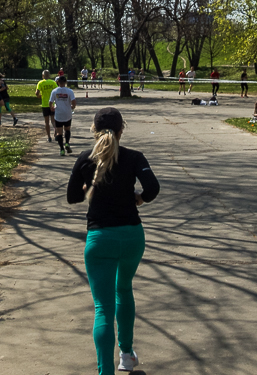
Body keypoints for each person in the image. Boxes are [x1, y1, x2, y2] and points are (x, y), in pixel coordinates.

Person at [67, 107, 160, 375]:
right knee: (124, 289)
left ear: (94, 131)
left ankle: (105, 372)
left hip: (100, 240)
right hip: (132, 237)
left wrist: (89, 186)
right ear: (122, 131)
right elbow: (152, 188)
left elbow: (73, 196)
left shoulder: (85, 159)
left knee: (103, 309)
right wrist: (139, 198)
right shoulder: (134, 157)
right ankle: (127, 355)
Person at [50, 74, 78, 156]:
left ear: (58, 82)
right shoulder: (69, 91)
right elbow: (74, 101)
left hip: (58, 114)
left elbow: (50, 102)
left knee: (59, 133)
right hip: (67, 113)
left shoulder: (54, 91)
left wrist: (51, 107)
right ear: (65, 82)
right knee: (67, 129)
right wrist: (73, 106)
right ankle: (67, 143)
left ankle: (61, 149)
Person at [35, 70, 58, 142]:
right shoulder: (53, 83)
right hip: (52, 104)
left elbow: (37, 93)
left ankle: (49, 137)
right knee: (53, 120)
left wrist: (39, 96)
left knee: (46, 122)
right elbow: (57, 91)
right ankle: (56, 131)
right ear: (49, 75)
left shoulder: (40, 83)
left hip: (45, 104)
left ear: (43, 76)